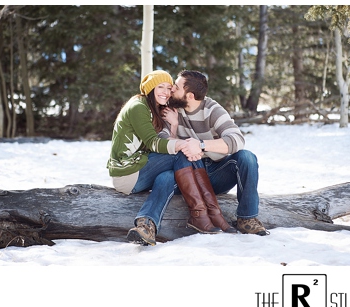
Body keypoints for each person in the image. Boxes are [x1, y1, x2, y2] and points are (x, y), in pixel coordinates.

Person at [108, 70, 231, 246]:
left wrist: (175, 127)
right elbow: (154, 143)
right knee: (183, 152)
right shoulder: (138, 107)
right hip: (127, 173)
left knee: (168, 177)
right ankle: (206, 215)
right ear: (150, 89)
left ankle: (146, 225)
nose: (166, 92)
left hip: (141, 167)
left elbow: (165, 143)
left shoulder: (155, 108)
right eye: (161, 87)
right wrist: (186, 145)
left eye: (169, 87)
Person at [167, 69, 268, 236]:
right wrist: (174, 127)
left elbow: (237, 140)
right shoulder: (172, 108)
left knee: (247, 158)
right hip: (188, 176)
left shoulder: (212, 110)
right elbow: (160, 141)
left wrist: (201, 145)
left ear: (190, 95)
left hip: (216, 173)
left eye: (176, 87)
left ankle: (247, 219)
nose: (172, 89)